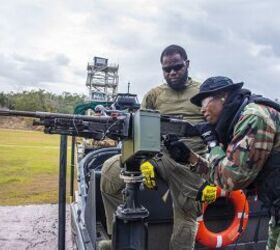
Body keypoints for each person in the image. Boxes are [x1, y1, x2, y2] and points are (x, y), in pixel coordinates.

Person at [100, 44, 212, 250]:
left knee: (186, 218)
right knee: (108, 174)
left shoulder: (203, 92)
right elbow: (140, 130)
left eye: (177, 67)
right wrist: (147, 160)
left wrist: (211, 171)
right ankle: (116, 236)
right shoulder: (153, 95)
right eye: (166, 69)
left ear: (187, 64)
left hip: (190, 161)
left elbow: (216, 131)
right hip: (158, 154)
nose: (172, 73)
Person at [168, 76, 280, 250]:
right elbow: (226, 170)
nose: (202, 110)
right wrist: (190, 157)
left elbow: (232, 179)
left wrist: (211, 141)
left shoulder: (254, 117)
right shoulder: (242, 118)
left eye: (204, 102)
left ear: (223, 96)